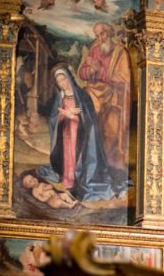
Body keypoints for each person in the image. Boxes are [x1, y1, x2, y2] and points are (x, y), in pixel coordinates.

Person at [39, 66, 121, 201]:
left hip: (81, 134)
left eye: (63, 79)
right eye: (59, 82)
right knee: (67, 153)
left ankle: (76, 179)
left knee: (76, 154)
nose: (62, 83)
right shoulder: (61, 97)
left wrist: (73, 116)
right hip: (66, 132)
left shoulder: (82, 95)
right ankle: (67, 178)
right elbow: (55, 117)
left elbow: (88, 119)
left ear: (69, 78)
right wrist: (65, 114)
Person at [78, 22, 131, 170]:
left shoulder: (120, 52)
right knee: (91, 127)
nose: (100, 38)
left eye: (102, 34)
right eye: (97, 35)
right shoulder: (94, 50)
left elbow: (125, 78)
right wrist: (91, 70)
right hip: (94, 94)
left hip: (113, 98)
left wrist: (101, 71)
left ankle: (106, 167)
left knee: (110, 133)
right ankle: (89, 163)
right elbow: (82, 72)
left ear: (109, 33)